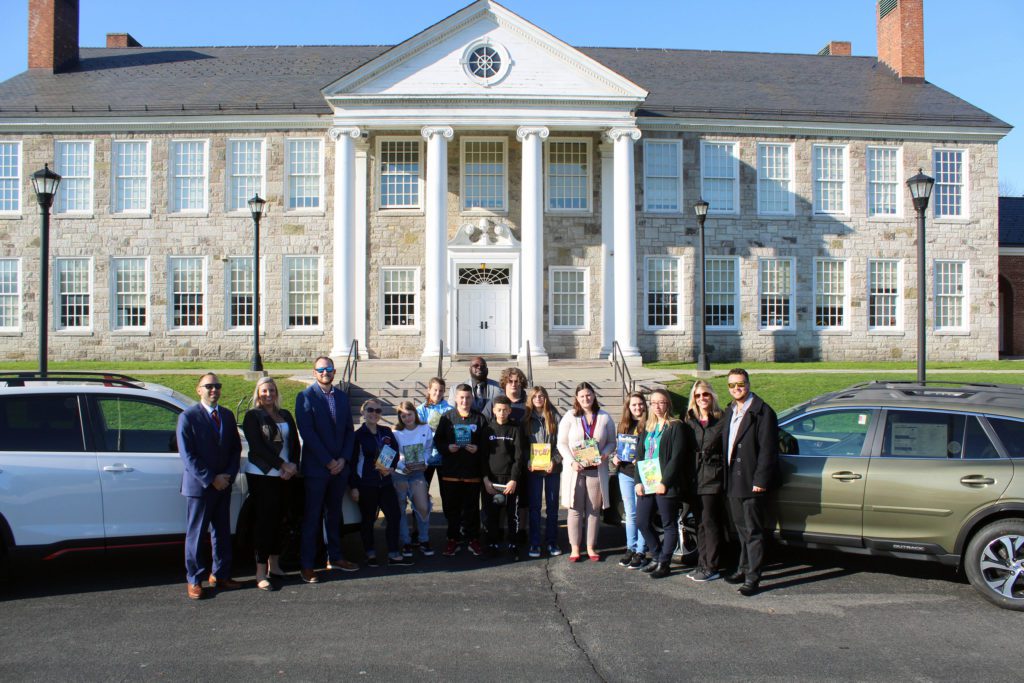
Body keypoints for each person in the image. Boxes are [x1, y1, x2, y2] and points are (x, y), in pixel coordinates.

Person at [177, 372, 242, 600]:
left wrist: (228, 476)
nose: (214, 390)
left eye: (217, 386)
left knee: (222, 533)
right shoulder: (188, 417)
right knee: (196, 534)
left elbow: (235, 449)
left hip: (223, 485)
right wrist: (211, 478)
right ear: (199, 390)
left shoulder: (226, 415)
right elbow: (188, 455)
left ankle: (221, 575)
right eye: (209, 386)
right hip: (201, 487)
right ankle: (195, 579)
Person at [294, 356, 358, 584]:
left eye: (328, 369)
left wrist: (342, 459)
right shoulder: (305, 397)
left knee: (334, 515)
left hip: (339, 468)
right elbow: (307, 433)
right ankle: (308, 565)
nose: (325, 372)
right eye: (321, 369)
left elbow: (349, 431)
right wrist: (328, 461)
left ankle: (336, 557)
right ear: (314, 372)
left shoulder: (341, 397)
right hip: (317, 469)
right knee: (312, 517)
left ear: (334, 371)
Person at [721, 368, 780, 597]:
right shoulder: (730, 410)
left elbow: (768, 450)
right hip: (733, 479)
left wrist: (760, 480)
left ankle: (753, 577)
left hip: (751, 481)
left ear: (748, 383)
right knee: (741, 529)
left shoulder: (763, 412)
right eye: (732, 385)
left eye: (741, 384)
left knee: (753, 531)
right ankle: (743, 568)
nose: (736, 388)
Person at [241, 377, 300, 591]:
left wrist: (293, 466)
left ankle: (274, 565)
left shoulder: (285, 415)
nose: (269, 394)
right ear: (258, 393)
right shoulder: (253, 416)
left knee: (281, 520)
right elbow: (258, 447)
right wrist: (283, 465)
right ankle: (260, 572)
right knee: (264, 522)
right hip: (262, 474)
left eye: (272, 390)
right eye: (264, 391)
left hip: (285, 475)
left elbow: (294, 443)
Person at [634, 388, 692, 579]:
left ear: (668, 404)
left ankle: (664, 563)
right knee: (642, 521)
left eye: (661, 402)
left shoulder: (676, 426)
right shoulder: (648, 427)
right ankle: (657, 556)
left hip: (666, 484)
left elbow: (677, 457)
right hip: (647, 482)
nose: (657, 407)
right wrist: (638, 481)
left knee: (669, 524)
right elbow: (640, 456)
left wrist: (665, 481)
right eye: (654, 403)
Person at [556, 382, 615, 562]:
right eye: (582, 396)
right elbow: (561, 443)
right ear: (576, 398)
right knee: (575, 508)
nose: (586, 399)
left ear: (594, 395)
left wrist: (605, 453)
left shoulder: (604, 417)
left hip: (596, 470)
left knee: (594, 509)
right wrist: (572, 461)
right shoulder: (570, 416)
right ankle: (575, 547)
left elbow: (612, 442)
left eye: (588, 395)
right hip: (576, 470)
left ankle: (590, 546)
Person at [349, 399, 410, 568]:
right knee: (368, 520)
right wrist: (354, 486)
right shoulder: (357, 436)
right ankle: (370, 552)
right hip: (366, 484)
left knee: (394, 516)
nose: (374, 413)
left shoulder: (386, 432)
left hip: (386, 483)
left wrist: (391, 468)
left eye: (378, 411)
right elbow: (352, 463)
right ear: (363, 412)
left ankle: (393, 552)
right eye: (370, 410)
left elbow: (395, 454)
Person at [434, 383, 490, 557]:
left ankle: (473, 539)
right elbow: (438, 441)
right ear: (456, 399)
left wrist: (478, 448)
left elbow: (487, 444)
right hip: (451, 473)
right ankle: (453, 539)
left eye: (468, 397)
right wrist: (448, 448)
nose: (465, 401)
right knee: (452, 509)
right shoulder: (447, 418)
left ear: (472, 399)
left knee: (472, 509)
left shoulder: (479, 419)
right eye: (461, 397)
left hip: (472, 474)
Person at [684, 380, 727, 583]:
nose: (702, 399)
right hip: (694, 477)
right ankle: (702, 563)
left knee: (710, 523)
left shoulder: (722, 419)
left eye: (706, 395)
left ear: (712, 396)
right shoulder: (689, 420)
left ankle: (713, 565)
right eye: (698, 395)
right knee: (699, 523)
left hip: (712, 477)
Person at [482, 395, 527, 559]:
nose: (502, 413)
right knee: (492, 513)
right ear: (493, 410)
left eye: (505, 410)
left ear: (510, 410)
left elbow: (518, 457)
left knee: (512, 514)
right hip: (492, 481)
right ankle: (492, 544)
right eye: (499, 410)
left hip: (510, 481)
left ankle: (513, 544)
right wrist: (486, 479)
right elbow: (483, 457)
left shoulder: (515, 429)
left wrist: (514, 479)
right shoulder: (487, 430)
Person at [392, 400, 434, 557]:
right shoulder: (395, 432)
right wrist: (402, 466)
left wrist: (425, 461)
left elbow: (429, 447)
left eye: (409, 414)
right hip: (400, 475)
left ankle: (424, 540)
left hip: (418, 473)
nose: (407, 418)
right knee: (401, 509)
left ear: (415, 414)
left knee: (423, 507)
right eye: (403, 416)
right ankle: (406, 542)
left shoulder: (425, 428)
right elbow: (391, 455)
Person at [524, 386, 562, 558]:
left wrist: (555, 460)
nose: (538, 399)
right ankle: (535, 543)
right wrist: (528, 460)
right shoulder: (526, 418)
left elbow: (562, 444)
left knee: (553, 507)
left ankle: (552, 542)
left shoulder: (555, 417)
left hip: (552, 469)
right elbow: (522, 445)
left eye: (541, 396)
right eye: (535, 396)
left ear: (546, 398)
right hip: (534, 470)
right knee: (535, 508)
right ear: (531, 399)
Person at [614, 391, 649, 570]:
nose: (637, 408)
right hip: (625, 473)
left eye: (640, 404)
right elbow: (618, 447)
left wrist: (641, 458)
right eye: (633, 405)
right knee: (630, 513)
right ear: (628, 407)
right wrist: (615, 457)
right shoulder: (623, 425)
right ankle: (631, 547)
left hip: (642, 474)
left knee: (641, 513)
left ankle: (641, 551)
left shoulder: (650, 424)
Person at [416, 377, 452, 488]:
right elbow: (417, 430)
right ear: (429, 390)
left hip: (443, 456)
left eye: (441, 390)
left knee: (446, 492)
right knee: (422, 490)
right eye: (435, 390)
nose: (438, 393)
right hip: (426, 456)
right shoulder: (421, 409)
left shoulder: (450, 409)